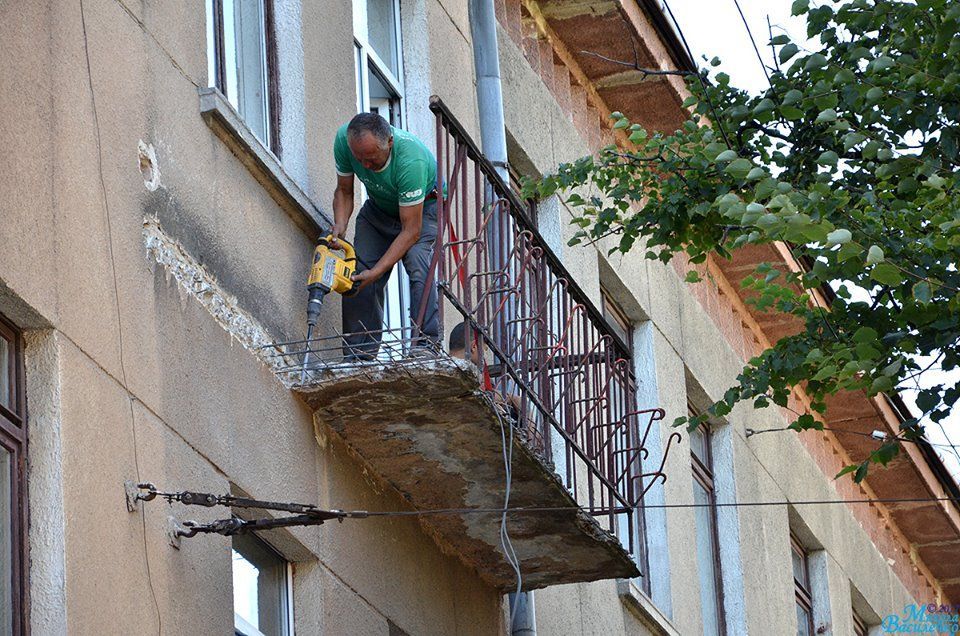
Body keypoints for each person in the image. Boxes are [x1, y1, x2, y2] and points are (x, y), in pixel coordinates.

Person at [330, 112, 439, 359]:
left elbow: (411, 231)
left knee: (418, 262)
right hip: (378, 209)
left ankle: (425, 345)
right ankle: (359, 355)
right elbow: (344, 192)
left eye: (371, 158)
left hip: (423, 210)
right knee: (357, 272)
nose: (366, 166)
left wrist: (378, 271)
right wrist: (339, 226)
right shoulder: (343, 140)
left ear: (389, 141)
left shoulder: (411, 161)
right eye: (360, 159)